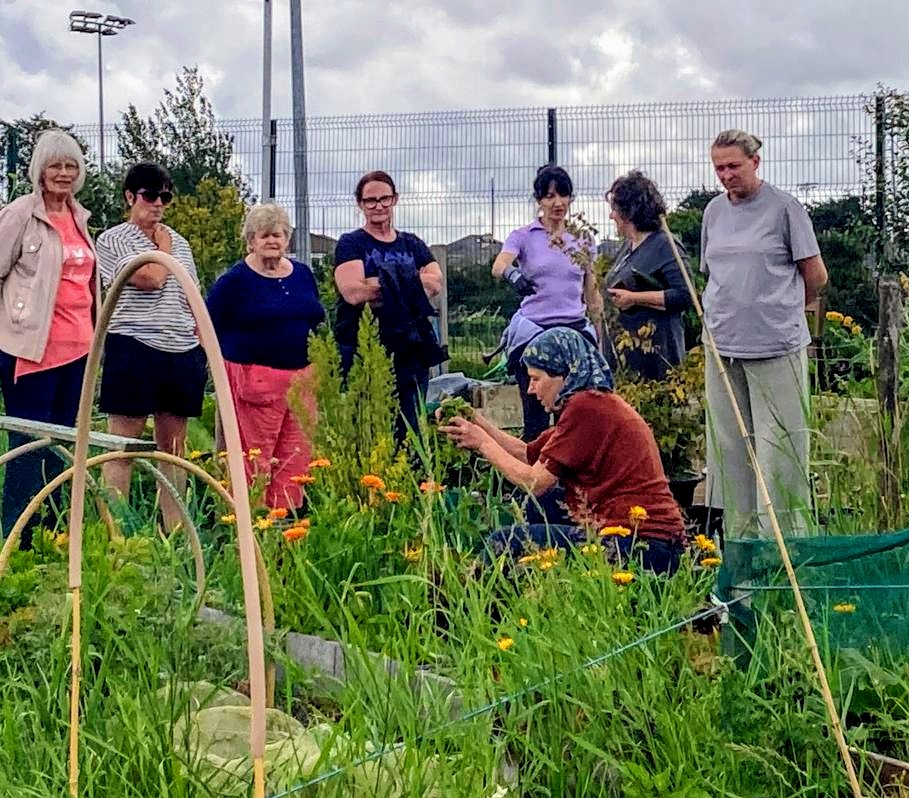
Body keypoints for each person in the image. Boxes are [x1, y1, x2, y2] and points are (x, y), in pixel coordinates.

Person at [441, 327, 686, 574]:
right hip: (657, 543)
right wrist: (475, 421)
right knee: (543, 505)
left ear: (565, 376)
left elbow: (535, 481)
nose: (530, 389)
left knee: (507, 542)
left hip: (640, 544)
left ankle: (472, 599)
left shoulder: (586, 407)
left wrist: (482, 443)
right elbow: (526, 453)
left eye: (536, 379)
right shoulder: (593, 403)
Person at [701, 129, 828, 539]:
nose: (725, 175)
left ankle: (787, 544)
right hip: (722, 348)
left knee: (781, 452)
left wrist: (783, 306)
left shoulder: (785, 209)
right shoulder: (713, 213)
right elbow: (714, 273)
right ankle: (739, 543)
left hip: (775, 346)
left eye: (733, 166)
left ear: (755, 162)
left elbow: (816, 276)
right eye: (719, 167)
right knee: (730, 450)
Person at [0, 129, 98, 534]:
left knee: (62, 448)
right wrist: (13, 323)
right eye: (55, 165)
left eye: (70, 166)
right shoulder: (20, 215)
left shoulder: (80, 218)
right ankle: (17, 539)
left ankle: (55, 535)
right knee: (28, 444)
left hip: (78, 348)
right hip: (31, 350)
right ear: (39, 171)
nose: (63, 173)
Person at [94, 162, 206, 530]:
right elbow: (151, 277)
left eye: (165, 197)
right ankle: (115, 531)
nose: (157, 204)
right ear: (130, 197)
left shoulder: (180, 242)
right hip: (134, 347)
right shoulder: (113, 240)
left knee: (173, 450)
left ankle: (174, 532)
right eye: (149, 195)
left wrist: (203, 339)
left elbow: (192, 294)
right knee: (122, 445)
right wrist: (164, 247)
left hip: (180, 350)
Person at [206, 203, 326, 510]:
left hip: (301, 380)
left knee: (295, 456)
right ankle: (250, 530)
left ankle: (285, 527)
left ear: (287, 239)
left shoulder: (301, 274)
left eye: (278, 235)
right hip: (255, 380)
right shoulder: (234, 281)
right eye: (264, 236)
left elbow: (314, 317)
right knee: (254, 459)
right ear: (250, 241)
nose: (272, 241)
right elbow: (206, 325)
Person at [492, 165, 604, 442]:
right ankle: (535, 480)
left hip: (574, 331)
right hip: (536, 331)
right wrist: (513, 274)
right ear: (539, 200)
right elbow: (499, 264)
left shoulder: (582, 239)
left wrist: (601, 336)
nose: (557, 203)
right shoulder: (524, 236)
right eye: (550, 196)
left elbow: (592, 291)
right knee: (536, 421)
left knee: (575, 418)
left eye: (563, 195)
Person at [332, 170, 445, 439]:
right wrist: (409, 281)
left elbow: (436, 282)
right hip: (367, 349)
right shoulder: (351, 243)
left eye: (385, 198)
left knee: (411, 430)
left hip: (411, 350)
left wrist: (380, 280)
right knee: (372, 428)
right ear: (360, 203)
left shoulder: (412, 243)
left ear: (395, 199)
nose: (378, 206)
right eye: (370, 200)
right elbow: (353, 292)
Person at [602, 170, 692, 382]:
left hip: (657, 354)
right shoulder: (628, 247)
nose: (611, 215)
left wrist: (635, 299)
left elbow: (685, 296)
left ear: (629, 211)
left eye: (614, 209)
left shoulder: (665, 245)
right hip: (627, 354)